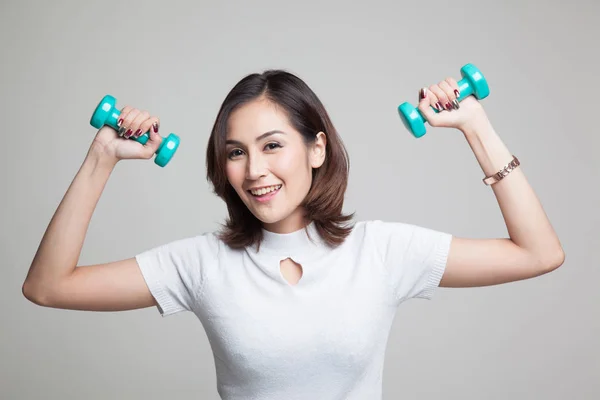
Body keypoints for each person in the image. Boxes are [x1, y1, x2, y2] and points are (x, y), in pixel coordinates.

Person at [22, 69, 565, 399]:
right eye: (237, 152)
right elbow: (48, 287)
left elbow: (538, 253)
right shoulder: (200, 264)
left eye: (272, 144)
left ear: (317, 148)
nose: (254, 169)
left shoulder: (382, 252)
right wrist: (102, 156)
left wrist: (475, 124)